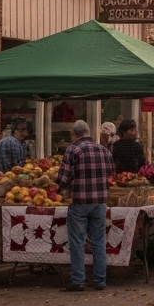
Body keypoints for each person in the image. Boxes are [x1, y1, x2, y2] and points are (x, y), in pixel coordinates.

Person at [55, 120, 114, 292]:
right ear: (88, 132)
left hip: (80, 202)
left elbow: (63, 179)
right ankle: (100, 281)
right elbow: (111, 175)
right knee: (99, 241)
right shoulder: (104, 151)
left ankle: (78, 280)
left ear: (74, 134)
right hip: (100, 202)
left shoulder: (72, 150)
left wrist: (57, 190)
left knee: (77, 242)